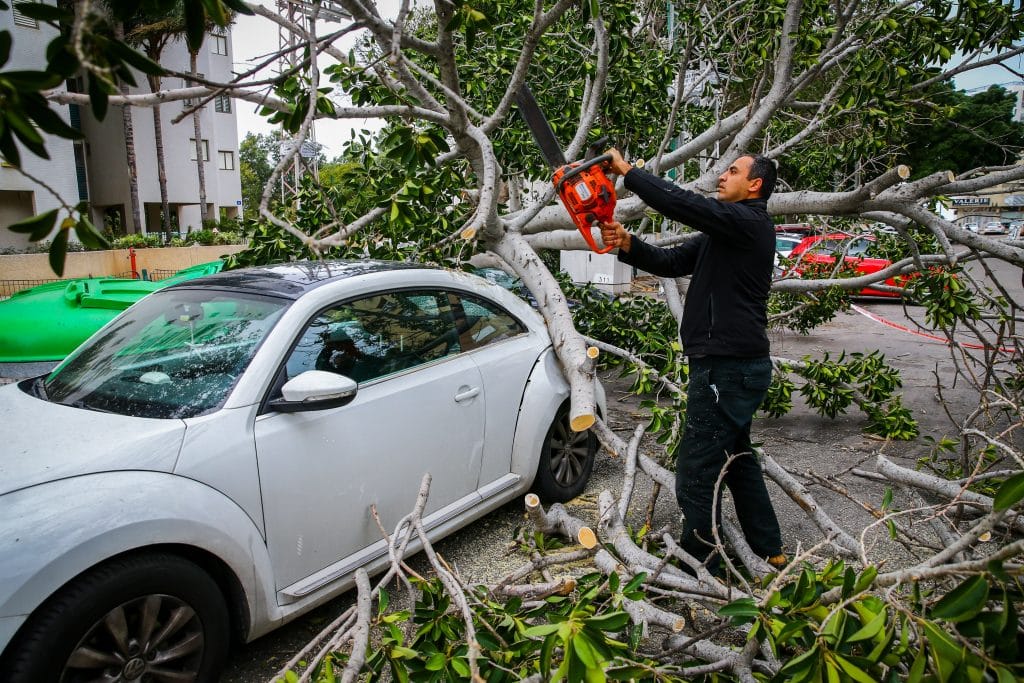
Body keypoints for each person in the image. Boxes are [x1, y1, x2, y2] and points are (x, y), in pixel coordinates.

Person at [599, 149, 785, 574]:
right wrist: (628, 244)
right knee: (737, 458)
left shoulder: (749, 223)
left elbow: (685, 204)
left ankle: (699, 565)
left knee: (697, 470)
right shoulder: (725, 233)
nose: (722, 177)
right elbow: (670, 262)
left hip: (728, 368)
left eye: (733, 171)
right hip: (732, 366)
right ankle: (768, 546)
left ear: (755, 185)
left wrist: (629, 172)